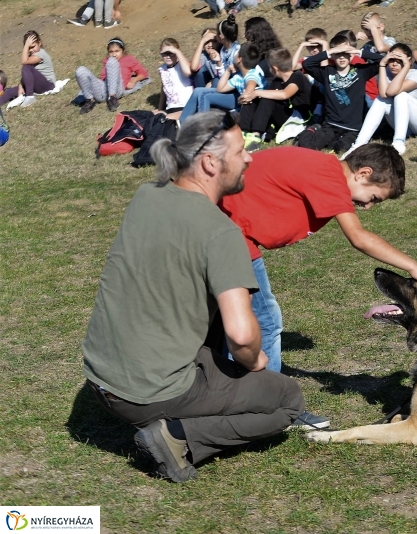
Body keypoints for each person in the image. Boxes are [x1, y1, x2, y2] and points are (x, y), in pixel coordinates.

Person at [82, 110, 306, 483]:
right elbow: (241, 335)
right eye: (240, 151)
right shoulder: (220, 232)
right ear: (210, 162)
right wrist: (254, 360)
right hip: (145, 392)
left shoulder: (146, 195)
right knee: (287, 399)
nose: (250, 156)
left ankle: (178, 414)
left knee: (213, 357)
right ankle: (177, 436)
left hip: (100, 376)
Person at [217, 144, 417, 418]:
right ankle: (265, 407)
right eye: (373, 197)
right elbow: (358, 238)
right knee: (263, 322)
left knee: (225, 321)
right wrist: (414, 267)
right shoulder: (329, 174)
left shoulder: (322, 168)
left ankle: (223, 393)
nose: (368, 206)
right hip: (228, 238)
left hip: (220, 232)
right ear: (363, 173)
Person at [342, 44, 417, 157]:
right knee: (381, 99)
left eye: (399, 60)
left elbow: (392, 91)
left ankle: (398, 142)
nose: (394, 64)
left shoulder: (415, 74)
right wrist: (382, 65)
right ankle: (359, 144)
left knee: (400, 95)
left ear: (408, 60)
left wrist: (407, 66)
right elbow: (383, 94)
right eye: (391, 59)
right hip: (407, 127)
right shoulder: (386, 72)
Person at [294, 36, 382, 153]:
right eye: (338, 54)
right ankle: (311, 131)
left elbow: (382, 61)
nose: (341, 57)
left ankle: (333, 140)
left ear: (351, 55)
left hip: (353, 128)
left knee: (341, 148)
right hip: (331, 125)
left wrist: (358, 52)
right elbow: (307, 64)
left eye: (345, 53)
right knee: (308, 146)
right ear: (333, 56)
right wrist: (329, 52)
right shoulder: (327, 72)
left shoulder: (361, 71)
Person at [238, 47, 312, 151]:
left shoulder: (298, 77)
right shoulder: (277, 80)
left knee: (266, 97)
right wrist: (247, 97)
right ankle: (243, 131)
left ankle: (256, 136)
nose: (268, 70)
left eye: (269, 67)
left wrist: (258, 92)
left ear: (275, 68)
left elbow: (285, 94)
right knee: (256, 97)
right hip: (282, 112)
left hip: (296, 116)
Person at [180, 15, 241, 122]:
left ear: (220, 37)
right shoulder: (224, 51)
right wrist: (219, 62)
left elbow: (237, 80)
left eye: (215, 36)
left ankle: (204, 128)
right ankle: (181, 124)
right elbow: (223, 76)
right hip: (225, 89)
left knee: (205, 94)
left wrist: (219, 79)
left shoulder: (236, 52)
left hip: (236, 95)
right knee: (198, 91)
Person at [75, 37, 150, 114]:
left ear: (123, 51)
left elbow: (144, 73)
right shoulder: (106, 61)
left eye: (117, 51)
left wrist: (134, 80)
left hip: (117, 89)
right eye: (111, 52)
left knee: (112, 61)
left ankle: (112, 98)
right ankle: (90, 100)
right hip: (103, 90)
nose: (114, 54)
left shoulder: (129, 59)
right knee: (80, 70)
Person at [4, 31, 62, 110]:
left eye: (33, 46)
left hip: (48, 85)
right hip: (37, 85)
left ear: (39, 43)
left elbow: (24, 62)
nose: (31, 50)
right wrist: (21, 85)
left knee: (26, 67)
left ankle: (30, 96)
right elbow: (28, 74)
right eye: (29, 48)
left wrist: (26, 45)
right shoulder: (31, 56)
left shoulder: (41, 54)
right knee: (9, 91)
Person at [356, 12, 396, 107]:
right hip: (372, 83)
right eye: (365, 29)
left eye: (370, 29)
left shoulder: (390, 40)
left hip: (387, 82)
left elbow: (381, 48)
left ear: (381, 27)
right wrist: (354, 39)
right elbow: (353, 56)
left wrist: (373, 30)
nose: (368, 32)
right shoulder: (367, 45)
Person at [156, 39, 194, 120]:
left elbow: (188, 72)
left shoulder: (182, 64)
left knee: (163, 120)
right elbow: (164, 88)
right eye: (165, 53)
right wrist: (160, 109)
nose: (168, 56)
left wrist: (177, 52)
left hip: (185, 105)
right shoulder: (162, 69)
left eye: (171, 53)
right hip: (171, 107)